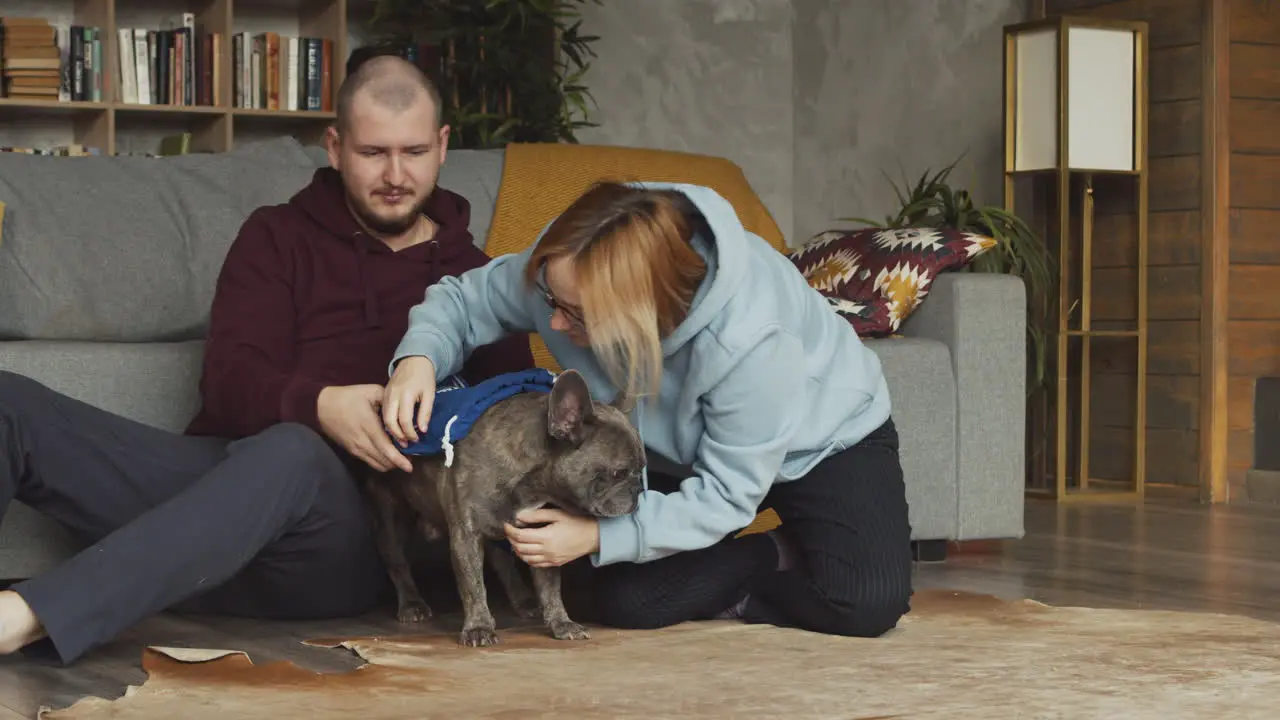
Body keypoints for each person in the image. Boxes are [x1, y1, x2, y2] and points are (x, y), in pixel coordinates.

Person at [0, 55, 532, 665]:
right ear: (334, 147)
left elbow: (515, 428)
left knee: (294, 452)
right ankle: (147, 571)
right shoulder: (276, 237)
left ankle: (27, 617)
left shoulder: (474, 280)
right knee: (9, 403)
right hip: (214, 503)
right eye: (372, 153)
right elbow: (226, 383)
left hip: (338, 546)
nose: (394, 175)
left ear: (442, 147)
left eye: (413, 152)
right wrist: (321, 405)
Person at [380, 180, 915, 638]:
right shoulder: (568, 266)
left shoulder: (751, 338)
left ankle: (783, 548)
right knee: (615, 601)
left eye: (576, 315)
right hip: (660, 457)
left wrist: (596, 535)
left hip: (820, 442)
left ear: (643, 316)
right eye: (550, 301)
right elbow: (464, 299)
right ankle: (766, 553)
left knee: (864, 603)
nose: (556, 326)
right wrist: (419, 358)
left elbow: (727, 494)